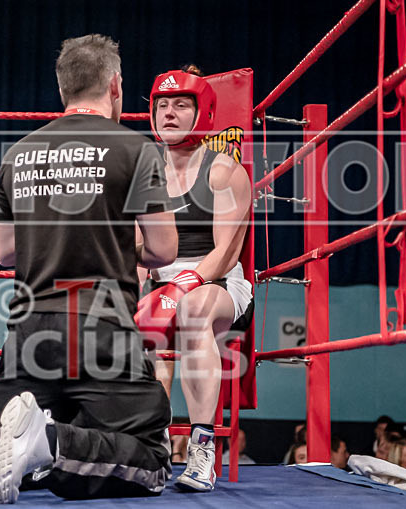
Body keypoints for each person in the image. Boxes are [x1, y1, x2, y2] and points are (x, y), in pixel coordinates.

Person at [0, 34, 178, 504]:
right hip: (102, 325)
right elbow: (164, 250)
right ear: (115, 86)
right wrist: (116, 241)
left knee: (13, 441)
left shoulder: (17, 153)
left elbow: (4, 252)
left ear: (62, 89)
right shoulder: (136, 149)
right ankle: (48, 442)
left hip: (27, 330)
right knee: (152, 461)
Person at [135, 65, 253, 492]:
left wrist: (180, 286)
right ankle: (149, 444)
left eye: (181, 105)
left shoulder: (224, 171)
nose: (169, 113)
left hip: (217, 284)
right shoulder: (143, 174)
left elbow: (226, 252)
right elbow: (137, 250)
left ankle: (203, 449)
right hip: (162, 282)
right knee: (117, 315)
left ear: (203, 112)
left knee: (191, 309)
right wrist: (130, 294)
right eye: (162, 105)